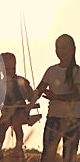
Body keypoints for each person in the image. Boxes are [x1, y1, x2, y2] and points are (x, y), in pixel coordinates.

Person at [35, 34, 80, 162]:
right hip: (53, 118)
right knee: (47, 156)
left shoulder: (77, 71)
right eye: (58, 48)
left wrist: (56, 97)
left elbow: (78, 96)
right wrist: (27, 94)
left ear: (73, 49)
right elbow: (38, 91)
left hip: (73, 120)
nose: (60, 51)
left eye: (64, 48)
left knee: (69, 157)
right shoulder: (51, 70)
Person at [0, 52, 34, 159]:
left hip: (20, 110)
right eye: (5, 69)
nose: (7, 71)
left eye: (9, 68)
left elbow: (30, 97)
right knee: (3, 124)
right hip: (7, 112)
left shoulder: (21, 81)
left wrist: (30, 101)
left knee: (17, 122)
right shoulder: (1, 84)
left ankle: (18, 148)